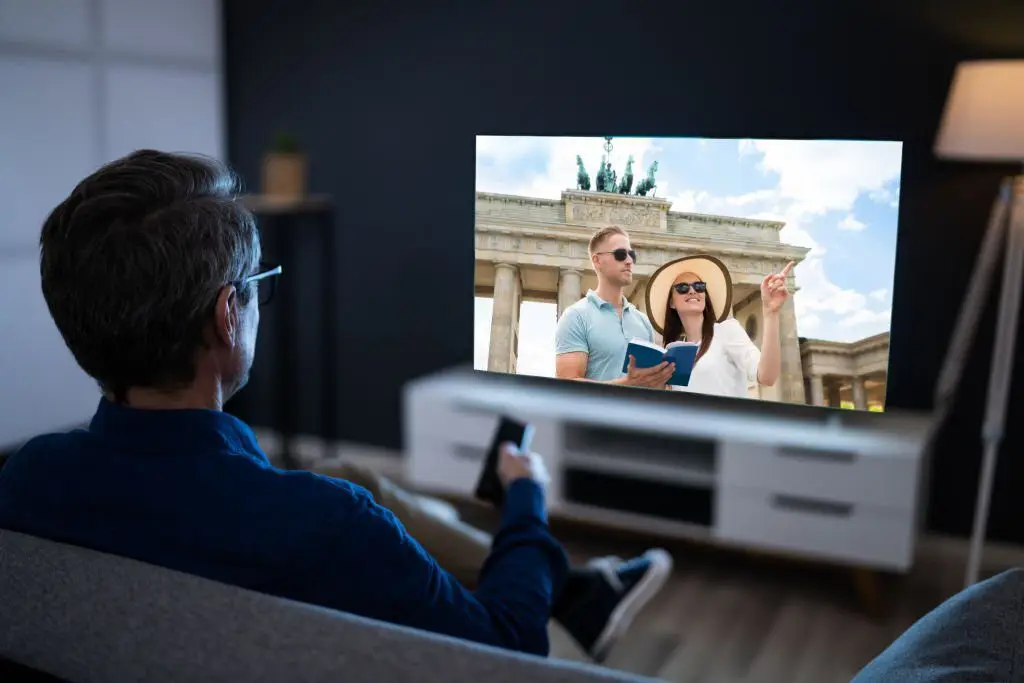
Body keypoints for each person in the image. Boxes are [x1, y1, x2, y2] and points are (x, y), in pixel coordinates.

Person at [0, 150, 673, 663]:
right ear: (228, 314)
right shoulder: (327, 528)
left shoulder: (29, 478)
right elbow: (507, 646)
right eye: (256, 286)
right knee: (351, 495)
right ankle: (568, 584)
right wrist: (526, 500)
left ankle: (581, 592)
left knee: (346, 473)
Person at [645, 254, 791, 398]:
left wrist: (771, 313)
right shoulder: (674, 352)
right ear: (672, 303)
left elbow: (767, 376)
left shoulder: (726, 331)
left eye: (699, 286)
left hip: (728, 421)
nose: (692, 290)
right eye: (682, 287)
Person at [555, 226, 676, 388]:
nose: (629, 261)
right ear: (597, 260)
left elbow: (648, 383)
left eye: (632, 254)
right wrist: (627, 384)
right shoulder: (576, 316)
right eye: (620, 254)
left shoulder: (642, 321)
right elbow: (566, 386)